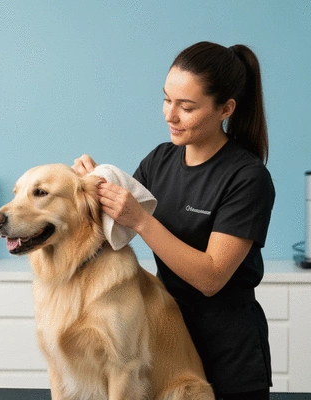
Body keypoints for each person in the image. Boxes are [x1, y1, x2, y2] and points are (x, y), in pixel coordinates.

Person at [73, 41, 275, 400]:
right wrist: (91, 189)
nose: (170, 114)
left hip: (226, 357)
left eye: (187, 107)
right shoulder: (161, 160)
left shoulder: (247, 178)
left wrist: (141, 221)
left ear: (225, 108)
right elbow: (116, 232)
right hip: (166, 345)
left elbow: (211, 277)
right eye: (167, 99)